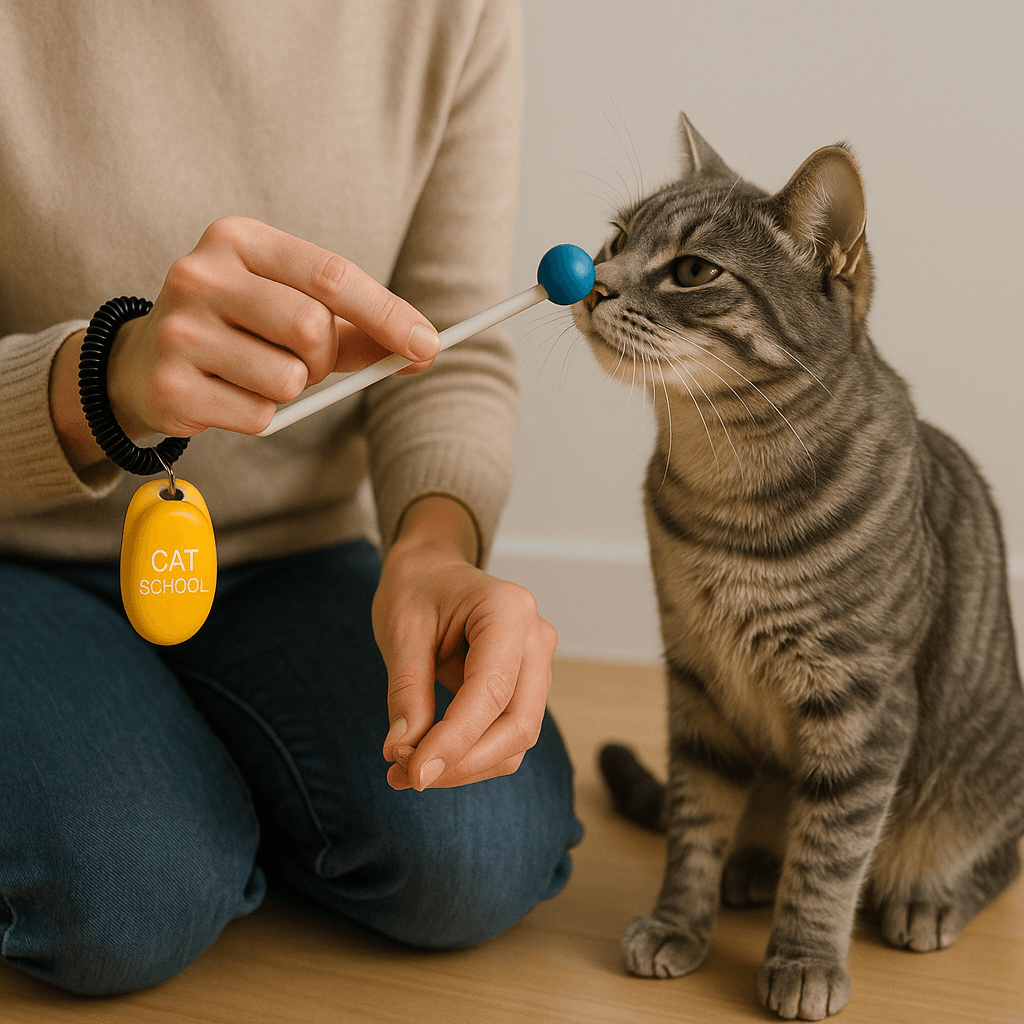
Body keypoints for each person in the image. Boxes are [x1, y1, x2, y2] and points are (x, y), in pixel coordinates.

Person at [0, 0, 582, 996]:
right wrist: (102, 378)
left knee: (475, 847)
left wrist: (431, 548)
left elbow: (444, 341)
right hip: (19, 551)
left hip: (291, 552)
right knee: (126, 898)